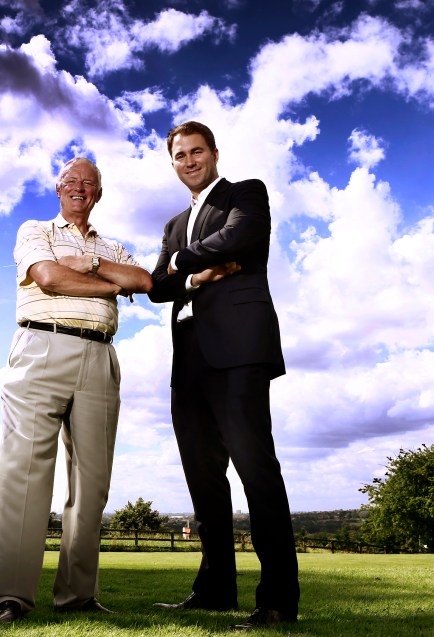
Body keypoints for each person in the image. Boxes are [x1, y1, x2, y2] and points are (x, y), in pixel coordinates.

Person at [148, 121, 300, 630]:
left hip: (238, 351)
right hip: (187, 359)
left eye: (196, 151)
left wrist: (181, 265)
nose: (189, 161)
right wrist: (195, 274)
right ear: (172, 163)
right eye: (179, 155)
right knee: (203, 478)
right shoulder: (172, 223)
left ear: (213, 153)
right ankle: (215, 591)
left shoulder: (245, 194)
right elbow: (156, 288)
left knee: (257, 471)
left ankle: (277, 601)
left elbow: (241, 236)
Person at [0, 157, 152, 624]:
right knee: (24, 472)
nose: (80, 188)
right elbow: (48, 277)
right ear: (59, 189)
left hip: (100, 355)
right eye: (72, 181)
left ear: (98, 193)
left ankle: (78, 595)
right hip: (42, 345)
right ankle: (11, 597)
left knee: (93, 482)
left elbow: (141, 280)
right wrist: (105, 284)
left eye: (89, 183)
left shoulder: (112, 245)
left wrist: (94, 264)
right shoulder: (35, 230)